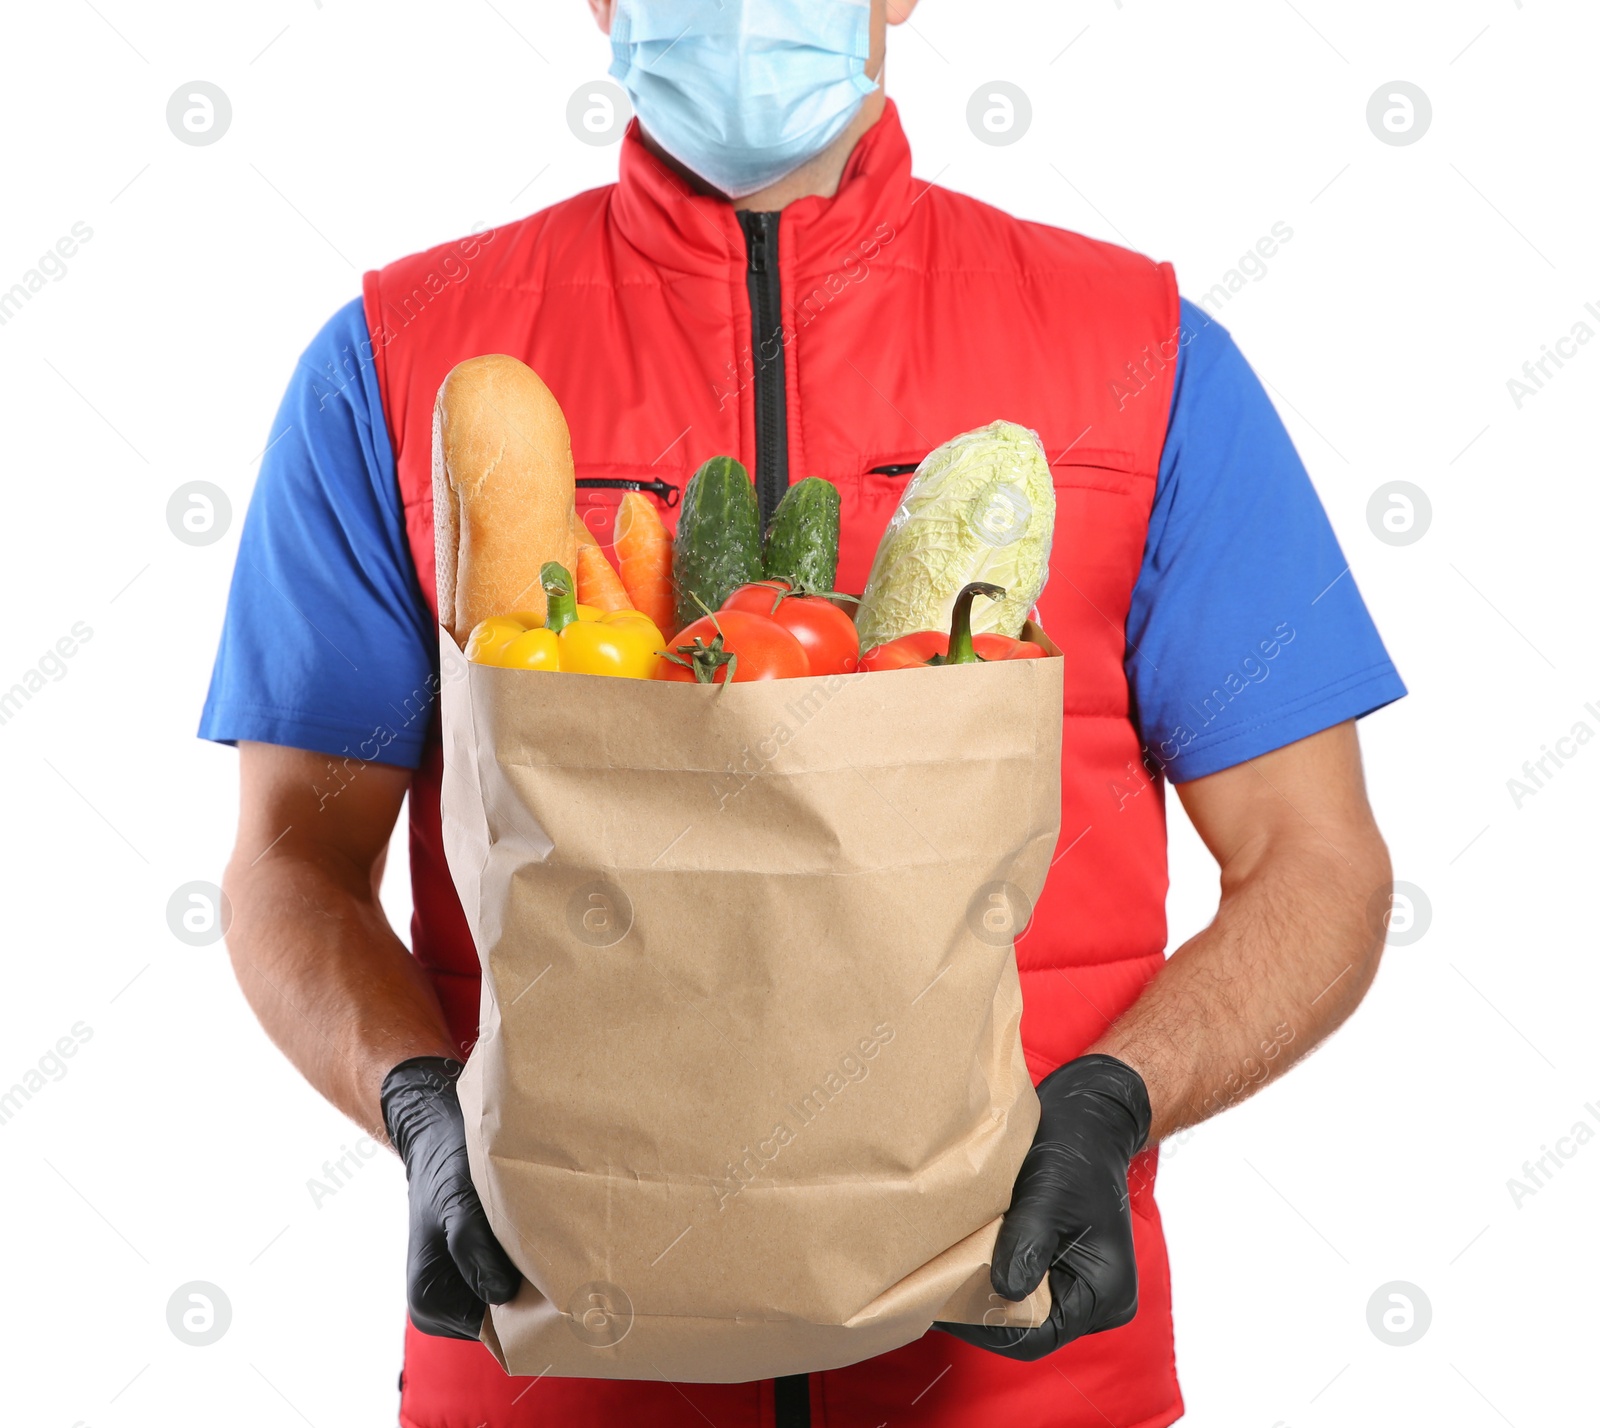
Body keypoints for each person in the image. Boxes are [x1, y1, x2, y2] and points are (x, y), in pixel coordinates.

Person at [202, 2, 1405, 1424]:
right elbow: (295, 862)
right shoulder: (403, 361)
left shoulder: (1136, 356)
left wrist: (1116, 1104)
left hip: (1022, 1375)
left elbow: (1314, 861)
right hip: (558, 1370)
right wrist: (415, 1108)